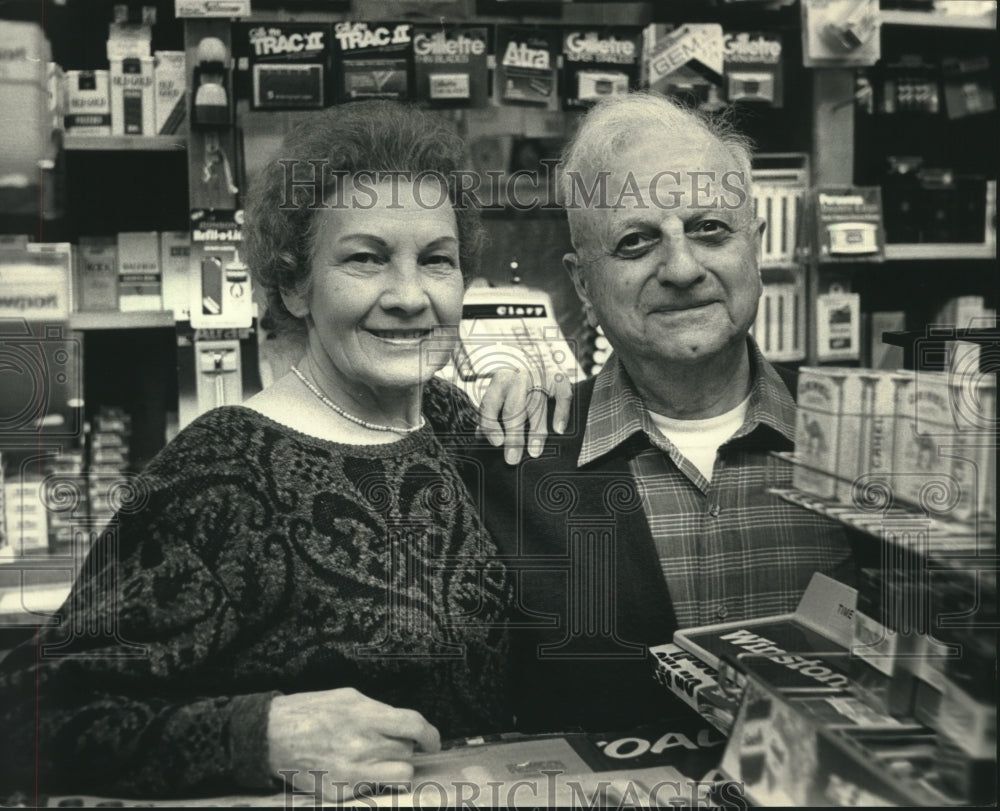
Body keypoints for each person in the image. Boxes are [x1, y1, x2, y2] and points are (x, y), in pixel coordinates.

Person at [0, 100, 560, 800]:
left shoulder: (451, 424)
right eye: (366, 258)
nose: (410, 295)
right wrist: (260, 734)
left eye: (437, 261)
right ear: (296, 284)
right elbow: (29, 716)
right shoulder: (223, 467)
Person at [466, 92, 862, 734]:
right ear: (584, 285)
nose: (681, 268)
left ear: (755, 250)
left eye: (709, 228)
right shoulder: (514, 467)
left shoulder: (858, 440)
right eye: (636, 241)